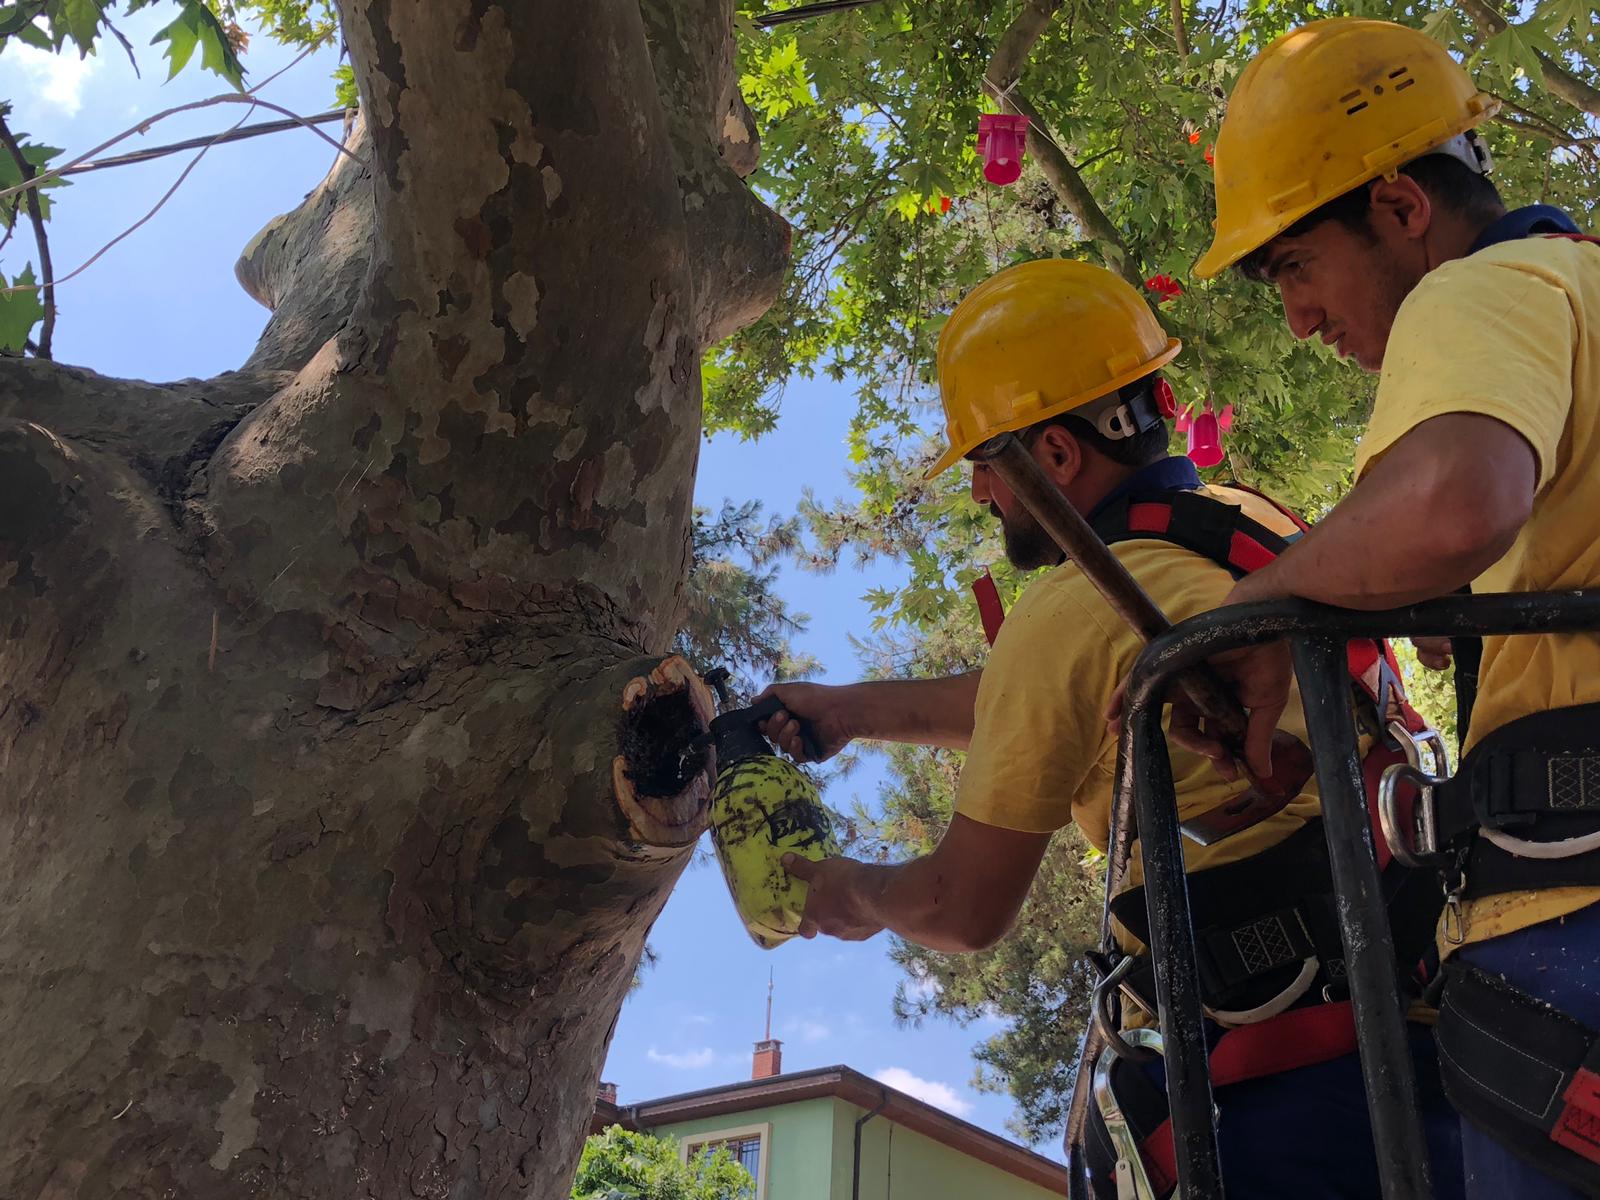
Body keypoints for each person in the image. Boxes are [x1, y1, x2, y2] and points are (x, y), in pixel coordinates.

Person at [759, 257, 1462, 1198]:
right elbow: (1048, 700)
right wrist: (850, 710)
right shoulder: (1237, 526)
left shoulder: (1074, 611)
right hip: (1422, 1021)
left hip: (1277, 1091)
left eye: (983, 466)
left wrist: (836, 893)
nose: (979, 495)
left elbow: (960, 910)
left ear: (1053, 456)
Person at [1164, 17, 1600, 1197]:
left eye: (1298, 266)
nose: (1299, 320)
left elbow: (1455, 498)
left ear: (1402, 209)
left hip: (1573, 930)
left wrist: (1253, 608)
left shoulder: (1482, 290)